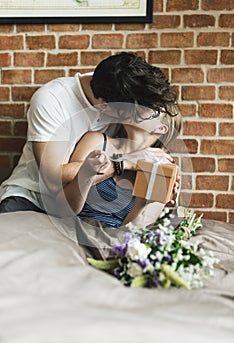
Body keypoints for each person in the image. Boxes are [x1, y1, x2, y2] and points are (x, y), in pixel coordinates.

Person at [0, 52, 178, 215]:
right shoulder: (53, 100)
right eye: (135, 114)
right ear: (104, 106)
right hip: (31, 197)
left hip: (80, 205)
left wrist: (159, 182)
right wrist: (126, 161)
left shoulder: (122, 91)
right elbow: (53, 180)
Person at [55, 110, 181, 228]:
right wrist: (126, 162)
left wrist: (144, 201)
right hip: (73, 228)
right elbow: (61, 196)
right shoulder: (98, 142)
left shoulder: (160, 168)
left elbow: (131, 229)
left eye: (148, 107)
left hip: (112, 242)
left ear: (160, 128)